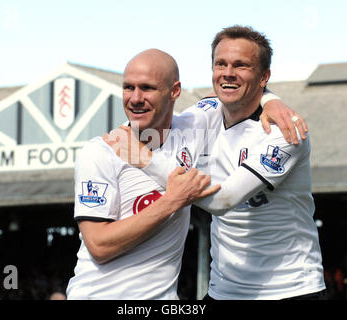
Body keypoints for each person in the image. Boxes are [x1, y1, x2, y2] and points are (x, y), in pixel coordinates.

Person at [114, 25, 325, 300]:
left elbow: (223, 201)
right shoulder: (207, 113)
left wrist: (145, 160)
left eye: (241, 65)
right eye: (220, 64)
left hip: (289, 289)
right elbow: (155, 128)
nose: (227, 73)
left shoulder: (284, 132)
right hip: (225, 290)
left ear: (264, 76)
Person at [66, 49, 220, 300]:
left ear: (175, 91)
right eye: (128, 88)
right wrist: (172, 201)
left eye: (147, 88)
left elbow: (235, 92)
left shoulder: (192, 127)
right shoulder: (100, 152)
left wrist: (271, 102)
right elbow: (99, 246)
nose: (135, 98)